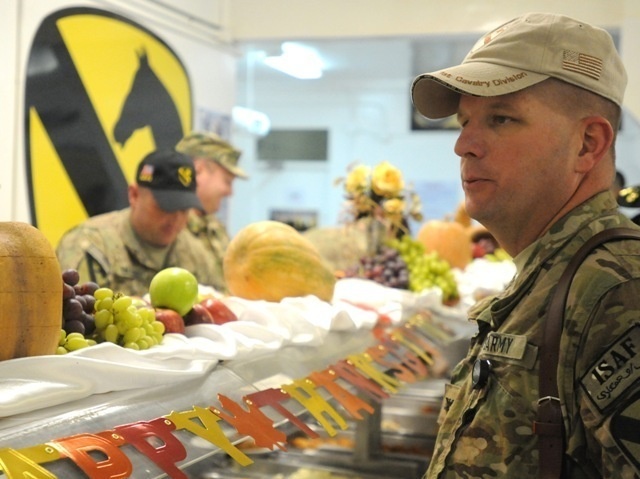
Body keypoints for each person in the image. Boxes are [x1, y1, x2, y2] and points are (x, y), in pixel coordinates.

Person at [411, 12, 640, 478]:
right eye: (465, 120)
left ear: (587, 144)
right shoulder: (552, 276)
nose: (464, 145)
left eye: (501, 118)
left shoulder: (618, 291)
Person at [56, 149, 221, 296]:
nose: (176, 219)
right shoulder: (90, 247)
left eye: (184, 210)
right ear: (134, 195)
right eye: (166, 207)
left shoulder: (196, 255)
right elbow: (77, 317)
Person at [176, 132, 247, 291]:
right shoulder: (169, 226)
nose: (230, 192)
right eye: (227, 181)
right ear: (198, 170)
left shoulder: (215, 227)